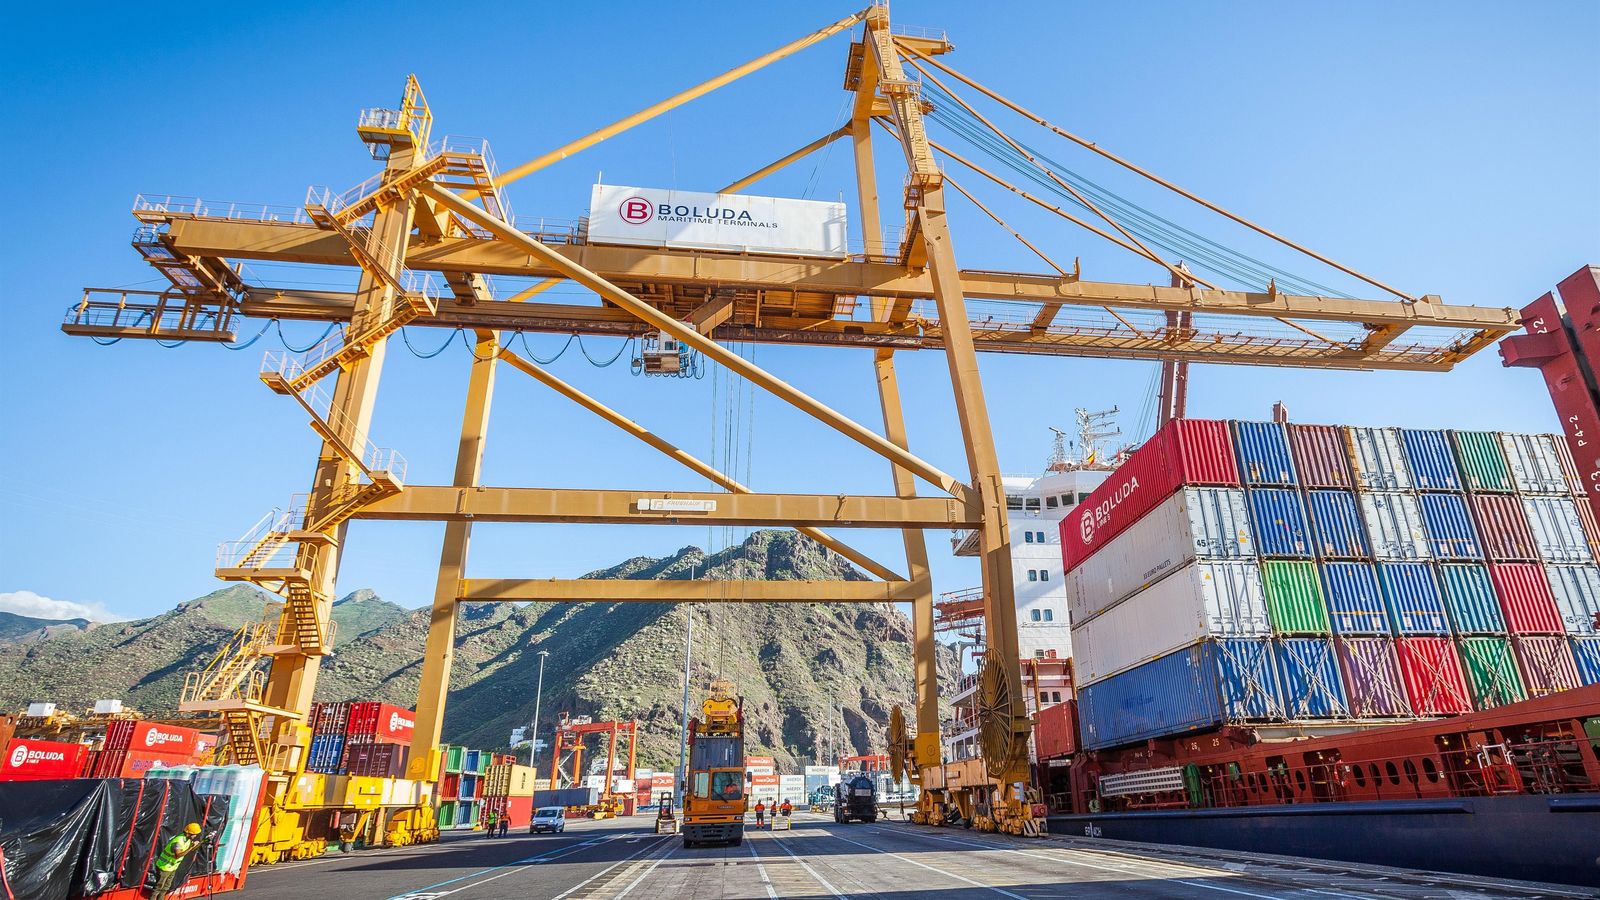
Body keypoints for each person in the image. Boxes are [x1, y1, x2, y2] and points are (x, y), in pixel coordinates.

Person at [149, 822, 202, 900]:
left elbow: (190, 849)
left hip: (172, 867)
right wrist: (190, 848)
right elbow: (178, 855)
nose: (196, 836)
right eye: (195, 834)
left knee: (166, 887)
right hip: (164, 867)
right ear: (189, 833)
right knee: (158, 887)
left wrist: (196, 845)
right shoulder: (179, 841)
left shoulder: (187, 840)